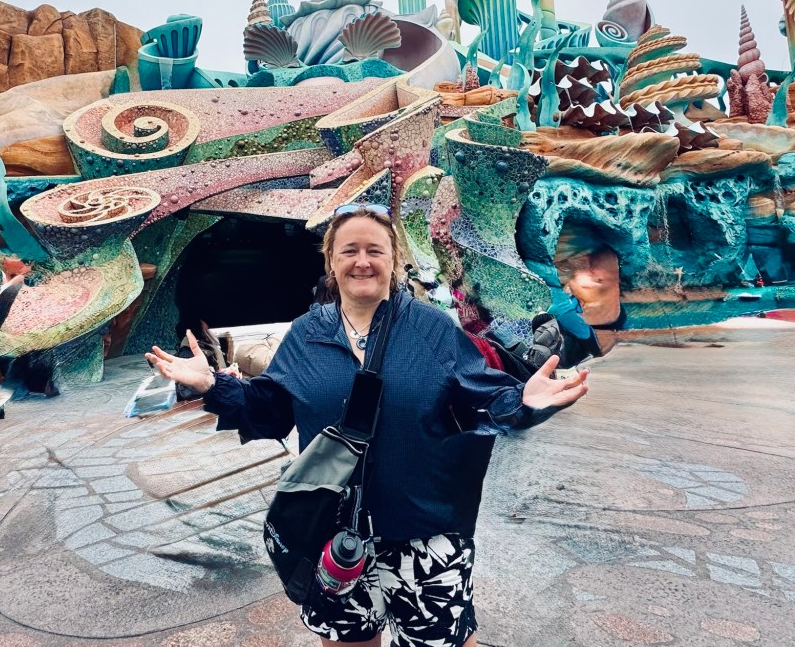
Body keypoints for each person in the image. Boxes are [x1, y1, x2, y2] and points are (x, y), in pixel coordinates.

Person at [147, 203, 588, 647]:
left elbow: (487, 394)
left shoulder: (431, 328)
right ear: (331, 260)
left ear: (393, 259)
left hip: (424, 528)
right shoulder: (306, 334)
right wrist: (211, 384)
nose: (362, 261)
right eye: (349, 250)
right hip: (332, 531)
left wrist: (524, 401)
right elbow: (269, 411)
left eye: (375, 250)